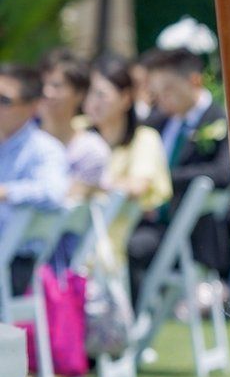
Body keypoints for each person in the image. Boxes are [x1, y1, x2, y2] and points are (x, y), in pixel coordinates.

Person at [128, 47, 230, 303]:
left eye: (168, 90)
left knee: (130, 248)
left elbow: (222, 173)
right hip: (142, 217)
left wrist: (165, 179)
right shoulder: (158, 121)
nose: (162, 99)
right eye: (156, 93)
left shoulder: (219, 119)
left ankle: (131, 322)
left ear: (193, 81)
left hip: (186, 230)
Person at [84, 55, 172, 258]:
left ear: (125, 98)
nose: (91, 102)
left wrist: (91, 185)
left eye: (100, 94)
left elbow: (138, 185)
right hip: (82, 228)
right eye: (88, 92)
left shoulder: (144, 138)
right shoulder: (80, 132)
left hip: (128, 228)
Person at [0, 64, 68, 292]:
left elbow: (54, 192)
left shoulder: (44, 149)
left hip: (15, 263)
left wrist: (7, 192)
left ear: (33, 106)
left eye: (4, 100)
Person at [38, 51, 111, 197]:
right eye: (42, 84)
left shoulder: (91, 150)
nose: (47, 92)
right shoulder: (16, 139)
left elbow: (67, 204)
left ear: (80, 94)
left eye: (56, 86)